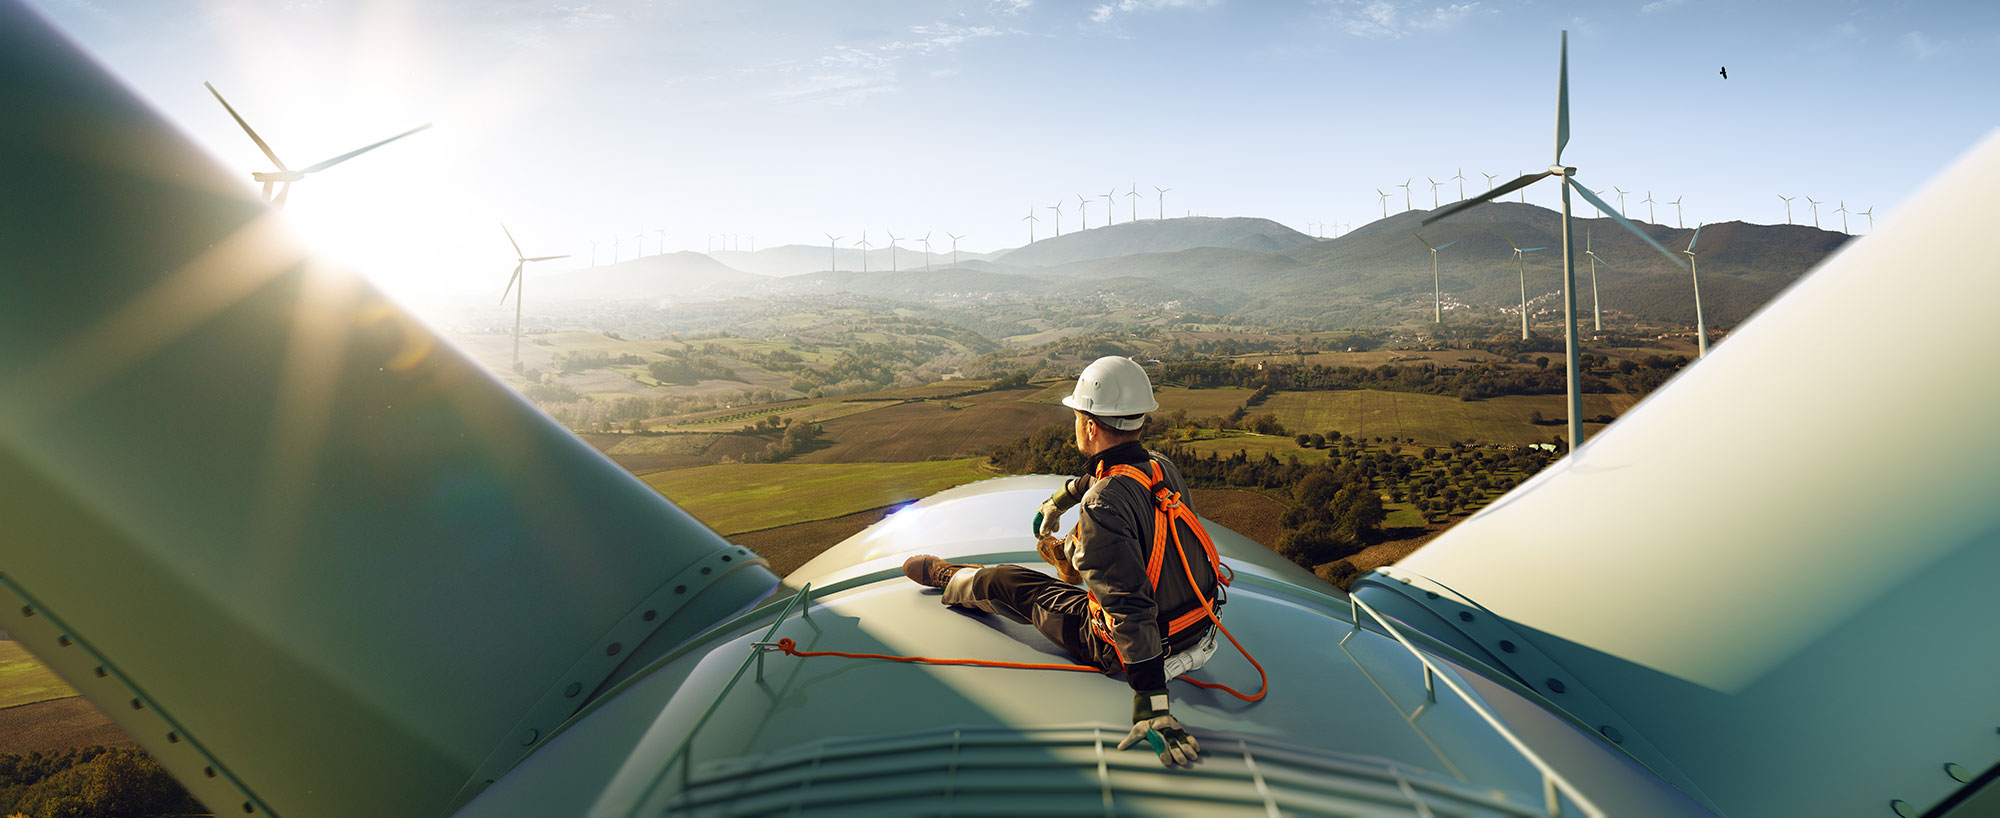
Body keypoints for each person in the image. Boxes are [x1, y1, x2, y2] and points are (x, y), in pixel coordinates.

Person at [902, 356, 1221, 769]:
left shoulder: (1103, 505)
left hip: (1135, 646)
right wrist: (1060, 500)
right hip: (1199, 625)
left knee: (1008, 581)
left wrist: (1152, 703)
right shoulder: (1160, 467)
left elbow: (1130, 608)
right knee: (1091, 545)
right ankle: (1072, 558)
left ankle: (953, 578)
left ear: (1090, 425)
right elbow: (1105, 477)